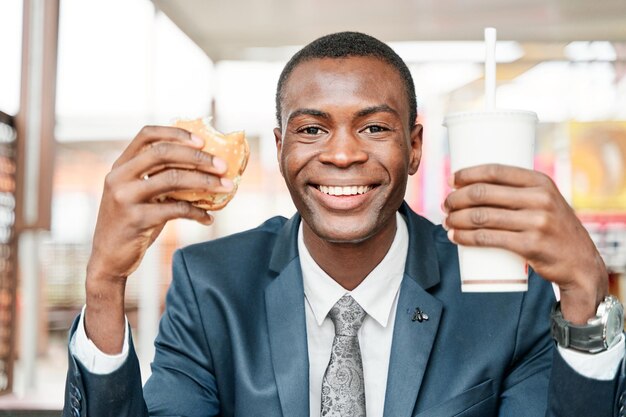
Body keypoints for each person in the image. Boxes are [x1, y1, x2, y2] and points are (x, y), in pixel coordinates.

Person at [63, 32, 625, 417]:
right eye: (311, 130)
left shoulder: (505, 296)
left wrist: (584, 294)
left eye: (374, 128)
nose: (341, 155)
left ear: (415, 145)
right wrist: (104, 285)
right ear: (280, 146)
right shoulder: (210, 284)